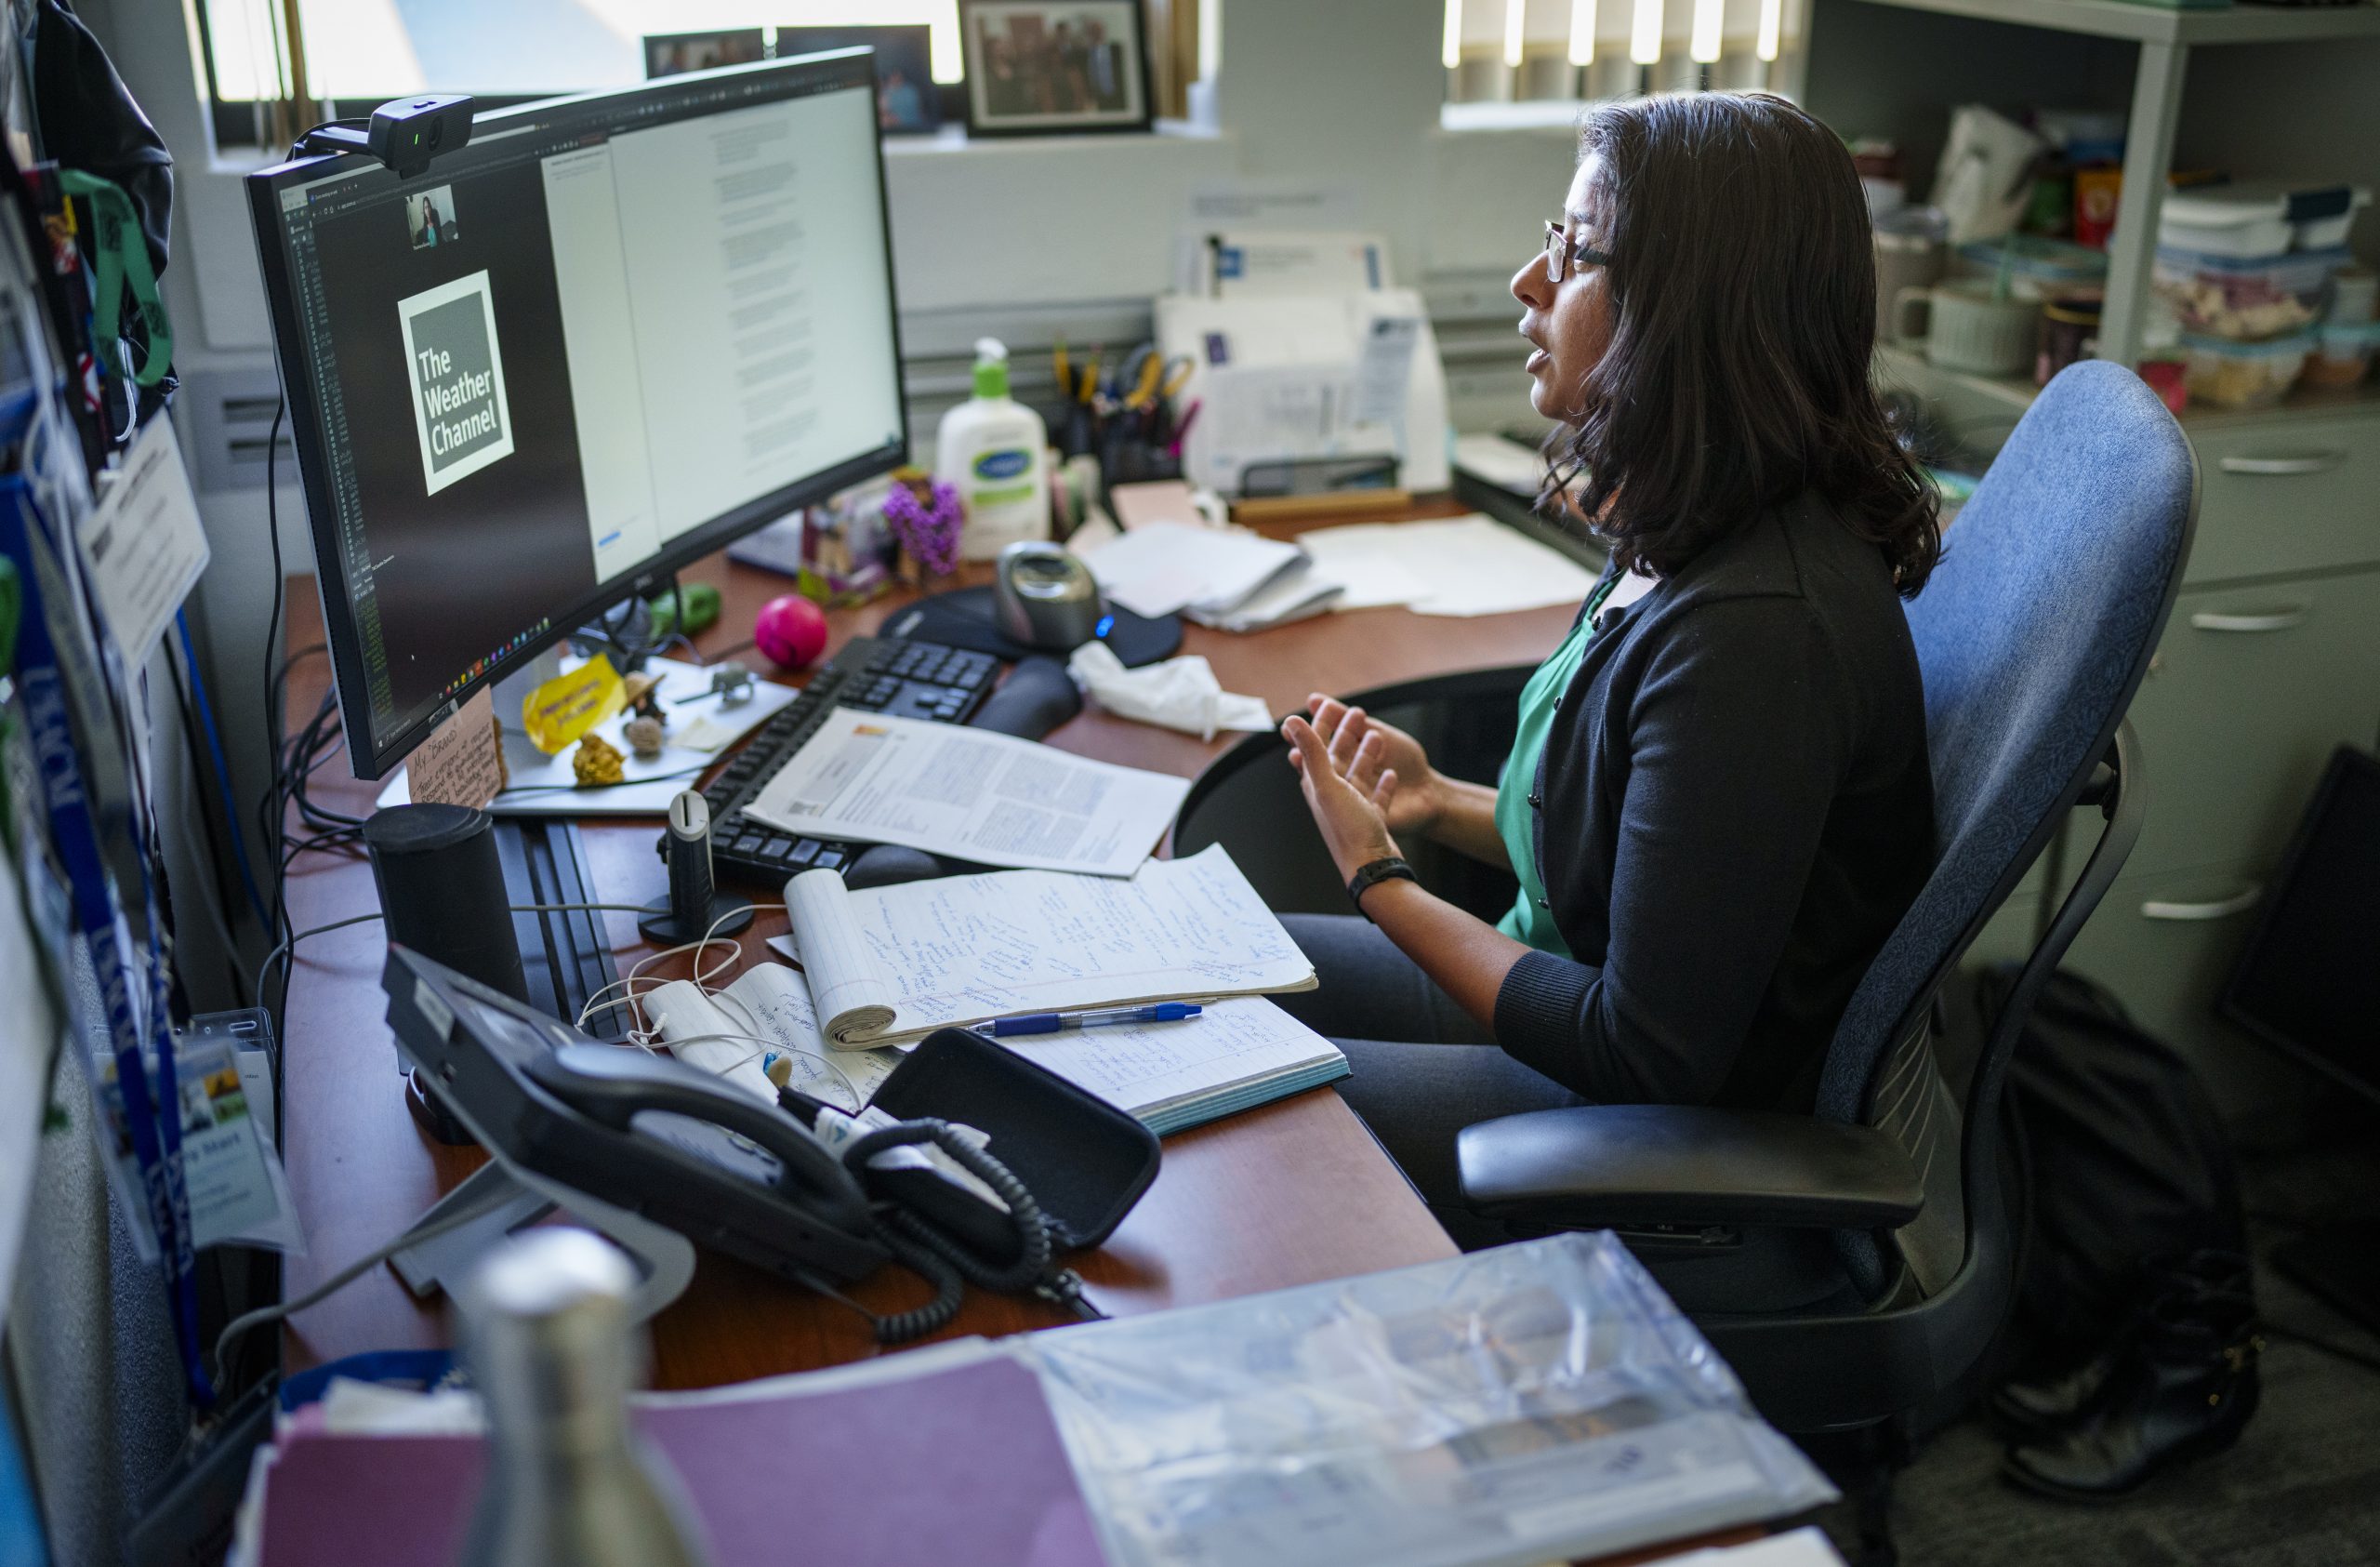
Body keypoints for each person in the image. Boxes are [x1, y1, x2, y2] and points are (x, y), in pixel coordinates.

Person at [1271, 93, 1941, 1298]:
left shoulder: (1756, 636)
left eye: (1576, 254)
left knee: (1234, 1104)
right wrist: (1443, 802)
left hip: (1636, 1113)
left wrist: (1381, 881)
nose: (1530, 280)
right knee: (1213, 970)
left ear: (1690, 307)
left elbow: (1643, 1045)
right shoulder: (1683, 525)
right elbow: (1644, 852)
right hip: (1565, 1001)